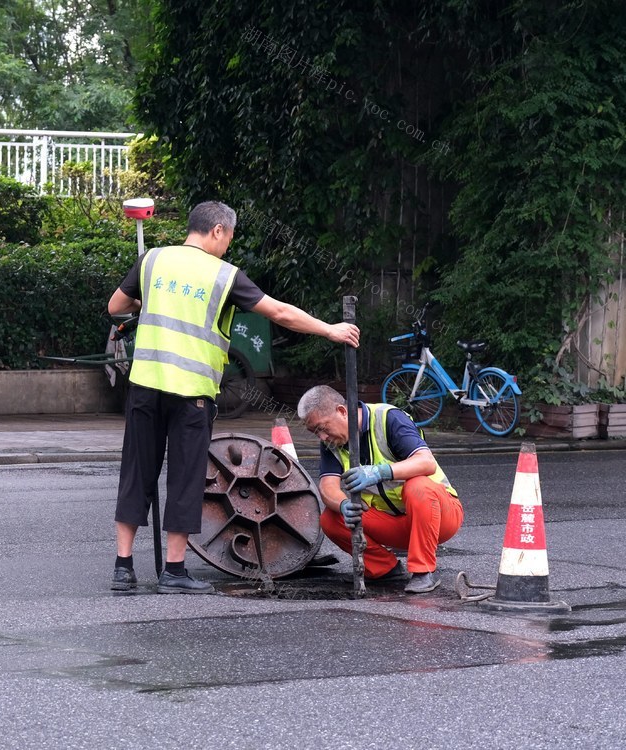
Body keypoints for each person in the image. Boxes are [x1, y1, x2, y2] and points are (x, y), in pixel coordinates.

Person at [107, 201, 360, 594]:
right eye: (229, 237)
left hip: (145, 386)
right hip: (191, 393)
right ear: (219, 231)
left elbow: (115, 306)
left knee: (136, 472)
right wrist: (330, 330)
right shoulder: (224, 276)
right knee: (185, 478)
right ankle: (173, 571)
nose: (228, 245)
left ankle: (123, 568)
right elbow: (279, 312)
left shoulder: (153, 260)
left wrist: (148, 303)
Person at [296, 384, 464, 593]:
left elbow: (426, 463)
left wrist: (379, 472)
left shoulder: (389, 419)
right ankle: (385, 570)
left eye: (322, 428)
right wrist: (343, 504)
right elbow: (327, 485)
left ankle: (423, 572)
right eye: (315, 433)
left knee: (417, 485)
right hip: (395, 524)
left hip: (440, 517)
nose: (322, 437)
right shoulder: (332, 442)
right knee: (330, 518)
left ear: (341, 411)